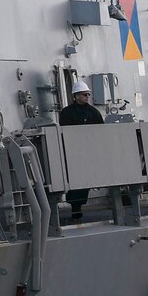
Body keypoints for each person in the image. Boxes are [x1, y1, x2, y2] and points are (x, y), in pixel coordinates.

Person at [58, 79, 103, 221]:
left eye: (88, 94)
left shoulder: (94, 112)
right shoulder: (66, 112)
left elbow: (100, 131)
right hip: (73, 152)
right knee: (75, 180)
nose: (87, 97)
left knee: (85, 181)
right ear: (76, 96)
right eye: (84, 94)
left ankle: (78, 206)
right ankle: (75, 207)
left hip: (89, 152)